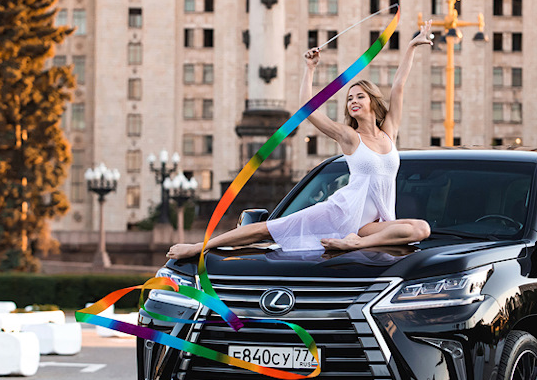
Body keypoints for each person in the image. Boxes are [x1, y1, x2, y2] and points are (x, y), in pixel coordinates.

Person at [167, 21, 434, 259]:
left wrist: (411, 47)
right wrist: (310, 69)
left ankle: (354, 244)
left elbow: (398, 86)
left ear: (373, 101)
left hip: (369, 226)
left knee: (421, 229)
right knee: (266, 229)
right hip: (341, 212)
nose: (353, 101)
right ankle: (197, 247)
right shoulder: (350, 137)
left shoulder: (389, 133)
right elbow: (308, 109)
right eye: (349, 98)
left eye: (359, 96)